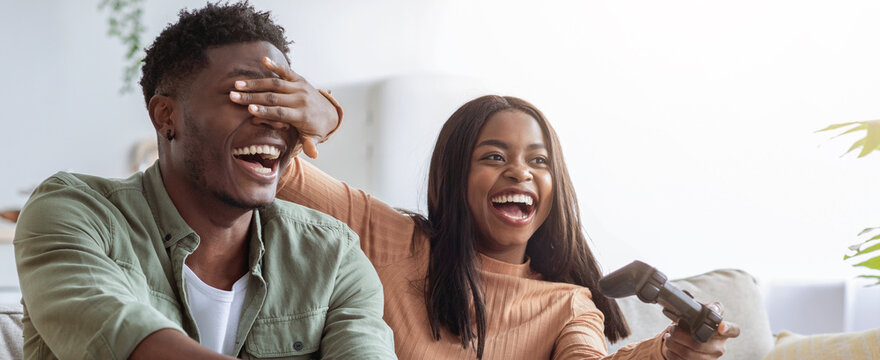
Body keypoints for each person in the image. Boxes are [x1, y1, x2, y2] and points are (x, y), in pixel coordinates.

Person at [13, 3, 395, 359]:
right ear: (166, 117)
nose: (273, 119)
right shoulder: (75, 213)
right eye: (247, 95)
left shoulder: (333, 257)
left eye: (284, 101)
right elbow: (125, 340)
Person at [276, 95, 740, 359]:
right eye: (494, 157)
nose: (522, 173)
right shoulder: (394, 239)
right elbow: (282, 176)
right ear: (453, 176)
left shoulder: (568, 304)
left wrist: (668, 352)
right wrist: (328, 120)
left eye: (539, 161)